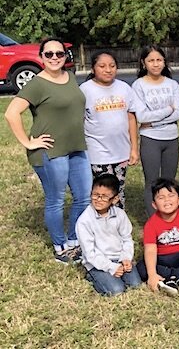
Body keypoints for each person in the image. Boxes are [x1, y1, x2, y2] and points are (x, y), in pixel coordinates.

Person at [4, 37, 93, 264]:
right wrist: (28, 142)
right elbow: (11, 113)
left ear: (65, 56)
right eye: (49, 54)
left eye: (59, 54)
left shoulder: (70, 77)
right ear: (42, 57)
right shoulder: (37, 84)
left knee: (83, 197)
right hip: (51, 151)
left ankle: (74, 241)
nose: (54, 58)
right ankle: (60, 246)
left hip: (76, 147)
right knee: (56, 199)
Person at [79, 51, 139, 208]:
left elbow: (131, 118)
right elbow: (79, 120)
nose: (108, 70)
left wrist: (134, 148)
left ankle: (118, 222)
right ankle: (101, 224)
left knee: (118, 190)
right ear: (93, 69)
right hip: (97, 152)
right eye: (102, 66)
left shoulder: (124, 88)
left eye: (112, 66)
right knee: (103, 191)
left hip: (121, 151)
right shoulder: (85, 90)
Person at [132, 44, 179, 217]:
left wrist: (154, 121)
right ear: (143, 63)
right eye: (151, 60)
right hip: (150, 139)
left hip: (171, 138)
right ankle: (153, 219)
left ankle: (171, 217)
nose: (155, 64)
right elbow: (142, 117)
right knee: (152, 182)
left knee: (169, 181)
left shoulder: (173, 84)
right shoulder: (138, 85)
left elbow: (178, 113)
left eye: (159, 60)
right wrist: (167, 110)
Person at [75, 174, 141, 296]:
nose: (98, 200)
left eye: (104, 197)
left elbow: (127, 239)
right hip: (97, 262)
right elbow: (90, 253)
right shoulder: (84, 221)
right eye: (95, 195)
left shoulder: (120, 215)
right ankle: (91, 276)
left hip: (119, 258)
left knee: (135, 285)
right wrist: (110, 267)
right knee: (117, 290)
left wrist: (126, 258)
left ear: (115, 199)